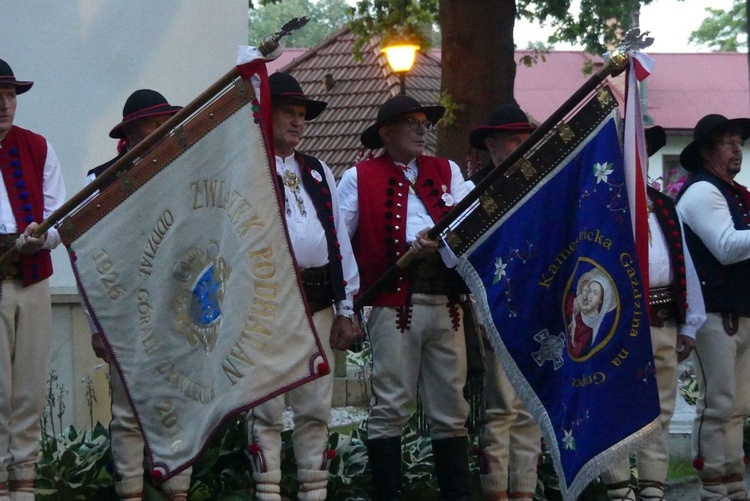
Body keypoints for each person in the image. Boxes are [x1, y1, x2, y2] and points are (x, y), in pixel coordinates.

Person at [338, 95, 473, 500]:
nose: (421, 129)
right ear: (386, 132)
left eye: (424, 123)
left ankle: (457, 495)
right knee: (391, 404)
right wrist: (346, 304)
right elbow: (339, 245)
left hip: (446, 305)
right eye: (410, 122)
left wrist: (446, 242)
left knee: (452, 408)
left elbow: (473, 222)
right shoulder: (358, 177)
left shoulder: (446, 171)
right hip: (391, 305)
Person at [245, 72, 359, 501]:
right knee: (267, 408)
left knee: (316, 408)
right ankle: (268, 492)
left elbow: (338, 242)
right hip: (267, 304)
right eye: (289, 113)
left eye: (302, 115)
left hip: (317, 302)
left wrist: (345, 308)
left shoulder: (317, 170)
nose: (299, 122)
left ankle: (314, 493)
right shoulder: (250, 168)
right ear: (266, 116)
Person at [85, 89, 191, 501]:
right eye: (152, 123)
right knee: (128, 414)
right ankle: (130, 492)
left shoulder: (182, 174)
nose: (161, 131)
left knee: (178, 408)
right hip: (123, 311)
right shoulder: (100, 182)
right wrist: (97, 325)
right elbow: (89, 259)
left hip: (175, 309)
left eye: (164, 122)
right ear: (129, 132)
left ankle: (177, 492)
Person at [600, 125, 706, 501]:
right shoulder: (602, 207)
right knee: (613, 400)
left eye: (643, 150)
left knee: (661, 404)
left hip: (663, 317)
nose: (638, 157)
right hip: (616, 322)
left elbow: (683, 264)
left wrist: (690, 321)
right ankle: (617, 484)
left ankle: (653, 485)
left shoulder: (662, 205)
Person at [468, 103, 542, 501]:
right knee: (501, 406)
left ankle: (525, 492)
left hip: (537, 306)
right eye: (509, 141)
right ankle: (496, 490)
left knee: (530, 407)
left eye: (522, 140)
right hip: (496, 307)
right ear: (491, 146)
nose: (517, 148)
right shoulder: (474, 192)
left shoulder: (541, 186)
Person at [0, 58, 66, 501]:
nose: (5, 105)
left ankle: (23, 485)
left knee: (29, 391)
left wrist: (38, 239)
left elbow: (61, 217)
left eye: (9, 96)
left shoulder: (37, 146)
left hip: (33, 280)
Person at [675, 114, 750, 501]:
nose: (737, 148)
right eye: (727, 142)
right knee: (719, 401)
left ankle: (732, 482)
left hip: (737, 309)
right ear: (706, 152)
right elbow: (725, 245)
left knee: (737, 404)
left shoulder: (733, 192)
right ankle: (713, 484)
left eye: (738, 141)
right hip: (716, 312)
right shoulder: (703, 192)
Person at [565, 267, 616, 358]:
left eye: (595, 293)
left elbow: (577, 352)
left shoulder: (595, 331)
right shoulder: (571, 305)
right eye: (589, 291)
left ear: (601, 300)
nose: (590, 296)